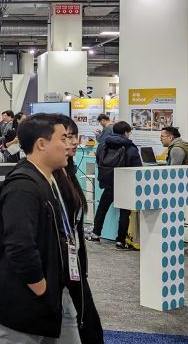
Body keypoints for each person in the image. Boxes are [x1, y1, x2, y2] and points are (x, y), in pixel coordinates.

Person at [0, 113, 78, 343]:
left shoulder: (47, 179)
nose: (69, 145)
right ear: (41, 144)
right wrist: (42, 289)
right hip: (24, 301)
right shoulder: (23, 187)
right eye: (63, 138)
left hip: (52, 295)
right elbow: (19, 246)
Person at [54, 115, 105, 344]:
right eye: (67, 137)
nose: (73, 142)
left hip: (74, 265)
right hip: (60, 270)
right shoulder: (46, 177)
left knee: (86, 325)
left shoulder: (68, 169)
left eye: (74, 136)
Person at [89, 121, 143, 249]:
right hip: (125, 183)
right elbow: (137, 167)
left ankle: (96, 233)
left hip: (107, 182)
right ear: (125, 132)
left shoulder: (103, 145)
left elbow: (98, 160)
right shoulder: (130, 147)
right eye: (129, 132)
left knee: (102, 208)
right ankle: (120, 240)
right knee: (124, 212)